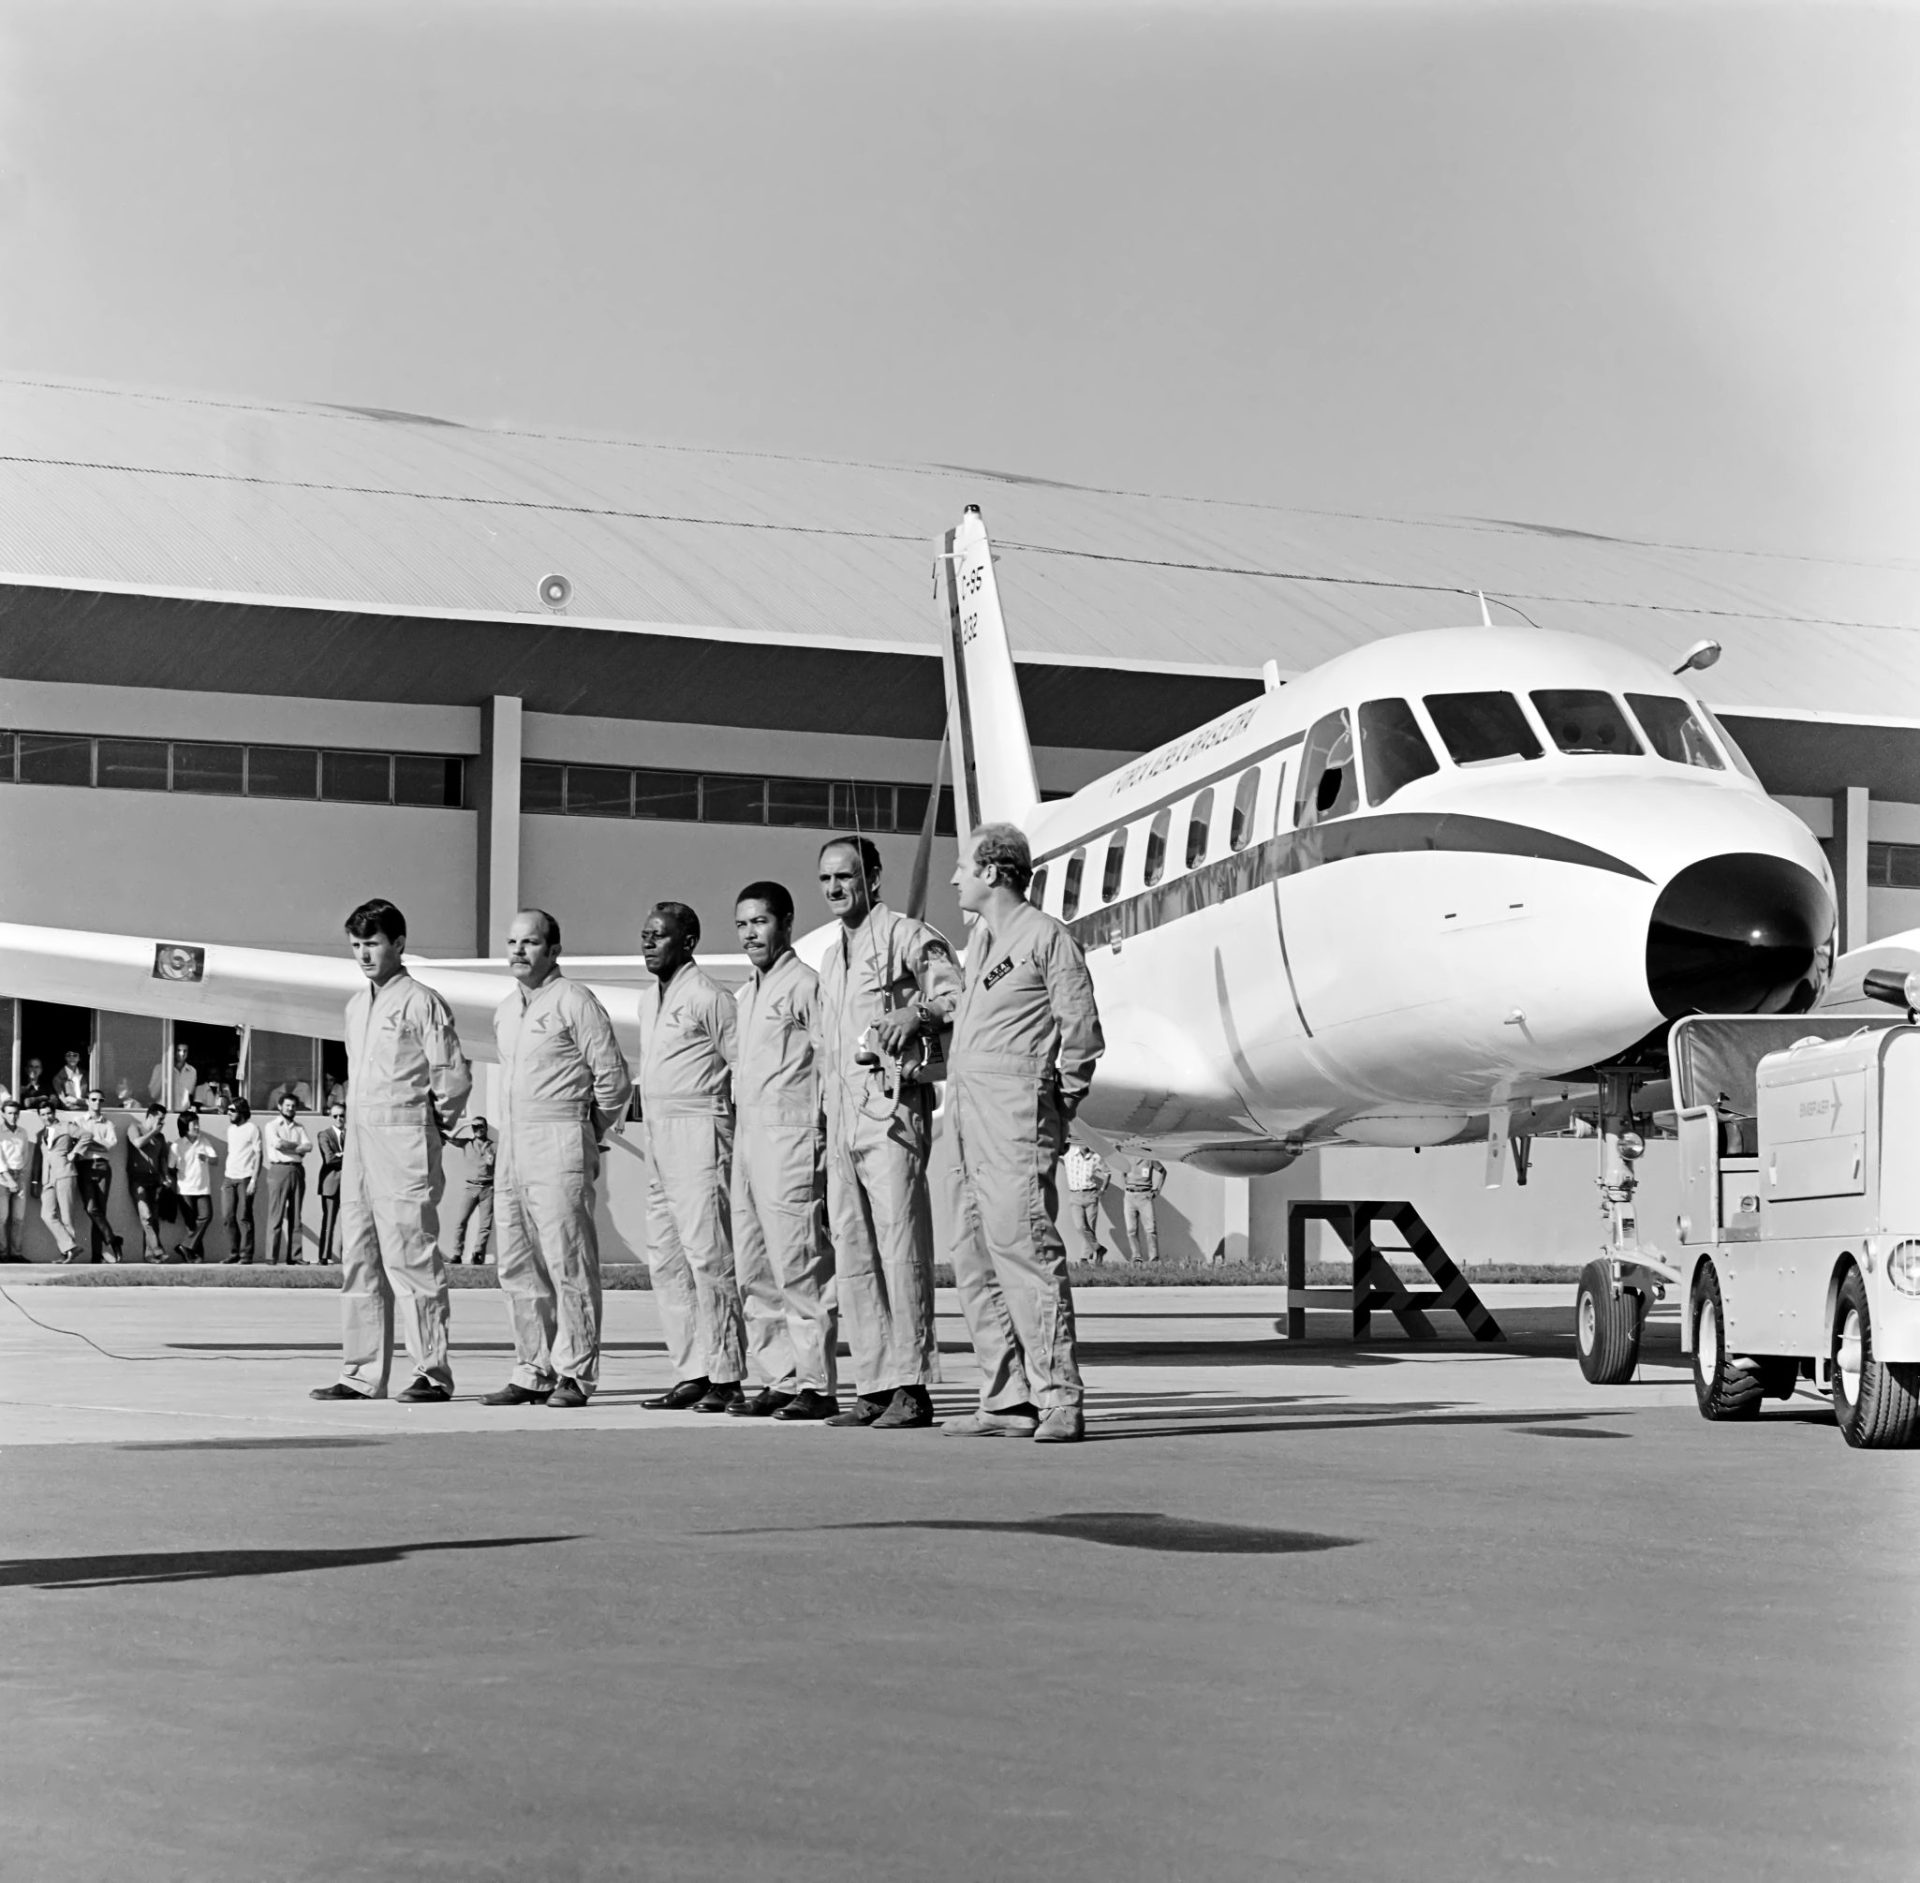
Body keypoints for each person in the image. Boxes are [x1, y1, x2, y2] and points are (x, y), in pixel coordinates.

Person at [942, 822, 1105, 1444]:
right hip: (965, 1116)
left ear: (991, 872)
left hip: (1013, 1115)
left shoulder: (1046, 938)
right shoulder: (983, 942)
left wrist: (1059, 1102)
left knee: (1027, 1253)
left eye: (963, 866)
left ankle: (1059, 1396)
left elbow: (1082, 1032)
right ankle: (1006, 1399)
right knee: (974, 1259)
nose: (955, 877)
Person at [814, 835, 962, 1429]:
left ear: (873, 877)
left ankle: (913, 1383)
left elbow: (955, 992)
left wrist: (916, 1012)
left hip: (891, 1111)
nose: (834, 888)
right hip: (843, 1118)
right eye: (825, 878)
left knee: (901, 1249)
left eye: (845, 876)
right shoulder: (830, 958)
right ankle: (873, 1383)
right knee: (853, 1253)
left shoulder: (907, 935)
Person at [311, 898, 471, 1403]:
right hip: (359, 1141)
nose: (364, 954)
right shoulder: (357, 1006)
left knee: (411, 1257)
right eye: (357, 945)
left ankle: (431, 1370)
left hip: (403, 1136)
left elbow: (452, 1077)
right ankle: (361, 1372)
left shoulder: (423, 1002)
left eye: (373, 944)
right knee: (358, 1258)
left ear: (399, 944)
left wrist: (433, 1127)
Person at [484, 909, 633, 1408]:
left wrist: (586, 1132)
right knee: (518, 1262)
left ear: (553, 950)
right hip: (514, 1145)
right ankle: (533, 1366)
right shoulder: (506, 1010)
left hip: (560, 1136)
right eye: (512, 942)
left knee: (568, 1258)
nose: (518, 952)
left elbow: (613, 1081)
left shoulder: (575, 1001)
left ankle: (576, 1370)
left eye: (530, 943)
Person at [730, 881, 838, 1421]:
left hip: (792, 1137)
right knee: (753, 1266)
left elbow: (829, 1060)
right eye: (743, 924)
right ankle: (780, 1375)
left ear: (787, 922)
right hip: (748, 1140)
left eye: (760, 922)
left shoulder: (806, 986)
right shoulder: (745, 995)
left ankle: (816, 1382)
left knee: (798, 1262)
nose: (751, 933)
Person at [636, 901, 744, 1412]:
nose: (648, 943)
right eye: (645, 934)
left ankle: (726, 1373)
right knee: (666, 1258)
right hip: (659, 1133)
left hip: (701, 1127)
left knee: (710, 1253)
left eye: (659, 935)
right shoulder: (646, 1001)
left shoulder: (709, 997)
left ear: (688, 941)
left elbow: (743, 1063)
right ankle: (692, 1370)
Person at [73, 1089, 124, 1263]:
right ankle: (113, 1239)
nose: (97, 1103)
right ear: (87, 1101)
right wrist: (94, 1144)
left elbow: (109, 1146)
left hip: (102, 1166)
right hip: (85, 1166)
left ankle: (97, 1255)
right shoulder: (78, 1121)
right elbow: (79, 1142)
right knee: (91, 1209)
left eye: (100, 1100)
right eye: (93, 1099)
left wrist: (90, 1142)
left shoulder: (108, 1124)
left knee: (100, 1211)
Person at [264, 1092, 313, 1265]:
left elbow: (309, 1146)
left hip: (297, 1170)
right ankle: (271, 1256)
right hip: (279, 1169)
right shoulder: (272, 1125)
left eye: (293, 1106)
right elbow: (279, 1145)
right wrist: (297, 1147)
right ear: (280, 1107)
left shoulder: (299, 1128)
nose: (290, 1109)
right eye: (287, 1106)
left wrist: (294, 1147)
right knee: (276, 1215)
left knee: (296, 1215)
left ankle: (295, 1256)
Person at [125, 1102, 172, 1261]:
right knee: (145, 1215)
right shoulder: (135, 1128)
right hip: (138, 1178)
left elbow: (162, 1158)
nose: (161, 1123)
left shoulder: (160, 1136)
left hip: (155, 1179)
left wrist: (165, 1177)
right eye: (159, 1119)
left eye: (163, 1120)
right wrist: (152, 1132)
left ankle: (149, 1254)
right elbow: (138, 1143)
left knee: (153, 1219)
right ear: (150, 1117)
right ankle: (158, 1249)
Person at [446, 1117, 496, 1266]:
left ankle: (478, 1254)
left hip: (488, 1187)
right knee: (461, 1221)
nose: (477, 1130)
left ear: (486, 1128)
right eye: (475, 1127)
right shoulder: (467, 1143)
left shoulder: (493, 1146)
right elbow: (449, 1137)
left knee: (485, 1225)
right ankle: (456, 1253)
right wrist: (465, 1124)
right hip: (472, 1187)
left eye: (480, 1127)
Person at [170, 1112, 219, 1261]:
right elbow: (171, 1167)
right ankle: (195, 1256)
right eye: (194, 1124)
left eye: (198, 1123)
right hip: (185, 1189)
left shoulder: (204, 1141)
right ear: (185, 1127)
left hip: (203, 1188)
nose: (197, 1127)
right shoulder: (177, 1145)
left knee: (206, 1217)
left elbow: (215, 1160)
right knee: (191, 1225)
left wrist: (206, 1158)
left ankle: (185, 1246)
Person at [220, 1097, 263, 1264]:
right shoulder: (231, 1130)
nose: (228, 1113)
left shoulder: (252, 1129)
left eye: (232, 1110)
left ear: (241, 1112)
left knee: (244, 1217)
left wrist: (254, 1179)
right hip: (229, 1178)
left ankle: (246, 1255)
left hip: (245, 1177)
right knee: (227, 1216)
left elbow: (259, 1155)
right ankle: (233, 1253)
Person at [36, 1110, 83, 1262]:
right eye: (42, 1114)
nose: (46, 1117)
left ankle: (67, 1254)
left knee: (66, 1216)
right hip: (48, 1178)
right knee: (47, 1215)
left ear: (54, 1113)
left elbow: (87, 1136)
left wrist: (74, 1153)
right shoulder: (41, 1133)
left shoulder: (66, 1127)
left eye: (49, 1113)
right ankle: (70, 1247)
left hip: (65, 1173)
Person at [1061, 1136, 1109, 1264]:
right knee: (1081, 1227)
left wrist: (1103, 1189)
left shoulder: (1095, 1157)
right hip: (1075, 1195)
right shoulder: (1069, 1152)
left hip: (1091, 1194)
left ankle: (1085, 1258)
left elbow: (1107, 1173)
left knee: (1090, 1227)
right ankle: (1099, 1249)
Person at [1120, 1152, 1166, 1264]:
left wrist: (1157, 1190)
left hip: (1144, 1196)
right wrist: (1125, 1188)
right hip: (1130, 1196)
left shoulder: (1149, 1158)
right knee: (1131, 1229)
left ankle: (1154, 1257)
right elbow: (1122, 1174)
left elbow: (1162, 1171)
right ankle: (1136, 1256)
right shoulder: (1127, 1157)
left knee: (1150, 1229)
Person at [314, 1101, 345, 1264]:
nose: (339, 1119)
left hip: (348, 1183)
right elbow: (329, 1158)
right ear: (331, 1116)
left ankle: (347, 1256)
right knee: (329, 1221)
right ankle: (324, 1256)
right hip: (330, 1182)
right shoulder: (324, 1134)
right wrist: (343, 1156)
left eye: (342, 1115)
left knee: (349, 1222)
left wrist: (340, 1155)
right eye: (336, 1116)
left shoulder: (351, 1134)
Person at [0, 1098, 31, 1260]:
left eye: (16, 1114)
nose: (13, 1116)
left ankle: (16, 1253)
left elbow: (25, 1155)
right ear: (3, 1114)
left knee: (18, 1218)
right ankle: (3, 1254)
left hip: (19, 1177)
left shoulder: (23, 1133)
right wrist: (8, 1178)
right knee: (2, 1218)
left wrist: (20, 1176)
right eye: (10, 1113)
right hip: (2, 1179)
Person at [150, 1043, 196, 1110]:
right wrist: (165, 1070)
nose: (182, 1054)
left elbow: (189, 1094)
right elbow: (153, 1094)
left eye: (185, 1051)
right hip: (164, 1112)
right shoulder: (160, 1068)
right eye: (179, 1050)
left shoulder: (192, 1071)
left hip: (183, 1112)